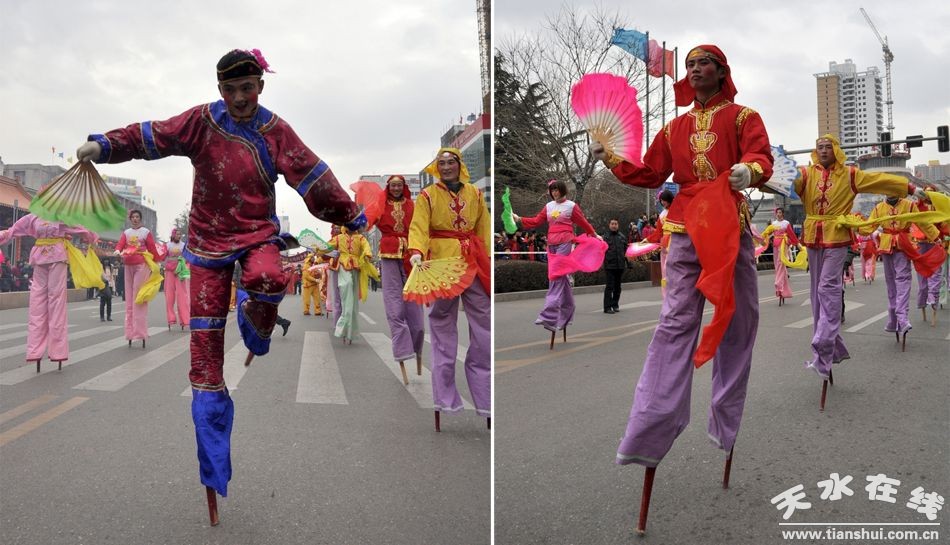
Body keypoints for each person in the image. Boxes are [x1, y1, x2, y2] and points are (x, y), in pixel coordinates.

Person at [75, 48, 364, 516]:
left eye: (246, 89)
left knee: (270, 279)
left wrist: (350, 214)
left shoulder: (275, 131)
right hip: (207, 247)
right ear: (219, 90)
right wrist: (104, 146)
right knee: (205, 367)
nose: (239, 98)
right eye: (229, 90)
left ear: (260, 87)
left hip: (258, 240)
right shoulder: (201, 122)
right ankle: (213, 469)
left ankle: (260, 328)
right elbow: (154, 135)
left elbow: (311, 175)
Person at [590, 45, 773, 526]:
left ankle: (725, 423)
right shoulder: (672, 128)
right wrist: (610, 158)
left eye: (703, 63)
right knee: (674, 324)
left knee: (740, 321)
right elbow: (652, 172)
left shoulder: (742, 117)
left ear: (721, 71)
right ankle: (648, 432)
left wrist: (748, 171)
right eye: (690, 65)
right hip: (686, 227)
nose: (695, 70)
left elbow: (760, 155)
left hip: (729, 228)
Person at [794, 134, 931, 382]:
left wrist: (911, 189)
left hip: (843, 237)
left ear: (836, 150)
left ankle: (825, 344)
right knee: (816, 293)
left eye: (828, 147)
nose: (823, 151)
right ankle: (832, 349)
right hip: (816, 237)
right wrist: (752, 175)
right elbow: (781, 182)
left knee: (828, 288)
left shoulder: (850, 174)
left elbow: (879, 180)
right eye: (819, 147)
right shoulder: (805, 174)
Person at [408, 148, 491, 430]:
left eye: (450, 162)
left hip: (473, 260)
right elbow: (418, 226)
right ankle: (445, 398)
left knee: (484, 324)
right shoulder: (428, 196)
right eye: (441, 163)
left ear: (459, 165)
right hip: (443, 263)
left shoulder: (476, 194)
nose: (445, 167)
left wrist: (487, 257)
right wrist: (416, 251)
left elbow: (484, 228)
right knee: (443, 327)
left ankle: (485, 397)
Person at [0, 214, 98, 371]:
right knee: (36, 305)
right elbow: (14, 229)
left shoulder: (62, 217)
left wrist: (89, 237)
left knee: (56, 303)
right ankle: (35, 351)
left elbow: (80, 227)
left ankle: (58, 351)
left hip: (58, 257)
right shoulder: (32, 218)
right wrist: (3, 235)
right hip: (39, 258)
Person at [512, 179, 598, 330]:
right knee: (560, 277)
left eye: (557, 190)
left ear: (563, 190)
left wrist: (594, 234)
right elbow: (536, 221)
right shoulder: (549, 206)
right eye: (552, 190)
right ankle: (567, 310)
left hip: (565, 242)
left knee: (555, 276)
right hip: (551, 244)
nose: (554, 193)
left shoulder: (571, 206)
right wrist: (519, 219)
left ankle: (548, 315)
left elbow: (583, 223)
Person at [861, 193, 938, 344]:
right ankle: (893, 317)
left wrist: (935, 236)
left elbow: (922, 222)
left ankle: (902, 316)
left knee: (903, 279)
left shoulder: (909, 205)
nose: (891, 192)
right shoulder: (879, 208)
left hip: (903, 245)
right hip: (886, 245)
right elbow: (868, 226)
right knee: (891, 283)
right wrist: (851, 225)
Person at [374, 175, 424, 379]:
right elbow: (367, 219)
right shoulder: (380, 204)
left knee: (414, 303)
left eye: (399, 185)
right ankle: (402, 351)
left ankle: (417, 346)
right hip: (388, 252)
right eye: (392, 185)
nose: (396, 188)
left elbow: (420, 227)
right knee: (394, 304)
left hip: (411, 254)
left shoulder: (412, 205)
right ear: (388, 187)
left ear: (403, 187)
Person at [115, 209, 161, 347]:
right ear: (130, 219)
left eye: (137, 217)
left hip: (141, 265)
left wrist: (156, 263)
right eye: (133, 217)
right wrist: (118, 251)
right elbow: (120, 244)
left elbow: (152, 249)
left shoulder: (145, 232)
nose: (135, 219)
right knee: (128, 299)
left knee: (138, 297)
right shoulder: (127, 233)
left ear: (140, 219)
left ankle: (140, 332)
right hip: (128, 266)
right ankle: (129, 333)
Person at [325, 225, 376, 344]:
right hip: (343, 265)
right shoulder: (339, 238)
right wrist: (318, 247)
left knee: (353, 303)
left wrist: (367, 253)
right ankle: (343, 326)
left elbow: (366, 246)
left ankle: (350, 333)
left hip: (356, 267)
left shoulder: (361, 238)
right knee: (345, 286)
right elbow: (327, 246)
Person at [758, 207, 800, 304]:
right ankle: (783, 290)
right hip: (776, 246)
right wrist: (759, 239)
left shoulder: (786, 223)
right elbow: (766, 233)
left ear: (783, 214)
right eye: (777, 213)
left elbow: (792, 235)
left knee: (781, 264)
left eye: (780, 212)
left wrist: (797, 245)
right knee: (778, 266)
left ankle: (778, 283)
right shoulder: (773, 224)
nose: (778, 214)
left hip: (783, 246)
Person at [645, 190, 676, 297]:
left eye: (664, 200)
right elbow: (658, 232)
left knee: (671, 268)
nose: (663, 203)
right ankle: (666, 294)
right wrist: (648, 240)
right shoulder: (662, 214)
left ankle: (675, 292)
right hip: (665, 243)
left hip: (676, 241)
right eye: (661, 201)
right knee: (664, 269)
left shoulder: (677, 210)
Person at [161, 227, 190, 330]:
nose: (179, 236)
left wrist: (184, 265)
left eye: (180, 234)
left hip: (180, 272)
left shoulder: (183, 245)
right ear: (173, 235)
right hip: (169, 272)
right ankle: (171, 318)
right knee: (169, 296)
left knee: (182, 296)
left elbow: (188, 258)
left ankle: (185, 320)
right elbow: (162, 257)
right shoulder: (167, 245)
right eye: (177, 234)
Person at [603, 218, 627, 313]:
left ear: (618, 225)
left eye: (615, 224)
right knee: (609, 287)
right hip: (609, 265)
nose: (614, 225)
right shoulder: (605, 237)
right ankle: (607, 307)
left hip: (620, 265)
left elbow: (626, 250)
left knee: (618, 287)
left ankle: (615, 304)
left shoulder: (622, 237)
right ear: (609, 225)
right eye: (612, 223)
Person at [301, 251, 322, 316]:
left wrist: (319, 274)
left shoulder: (313, 266)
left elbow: (317, 274)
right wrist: (315, 279)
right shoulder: (305, 266)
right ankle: (306, 311)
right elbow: (306, 276)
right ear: (309, 258)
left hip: (315, 284)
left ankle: (317, 311)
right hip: (308, 285)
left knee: (317, 298)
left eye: (313, 257)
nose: (314, 258)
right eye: (312, 257)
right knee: (307, 299)